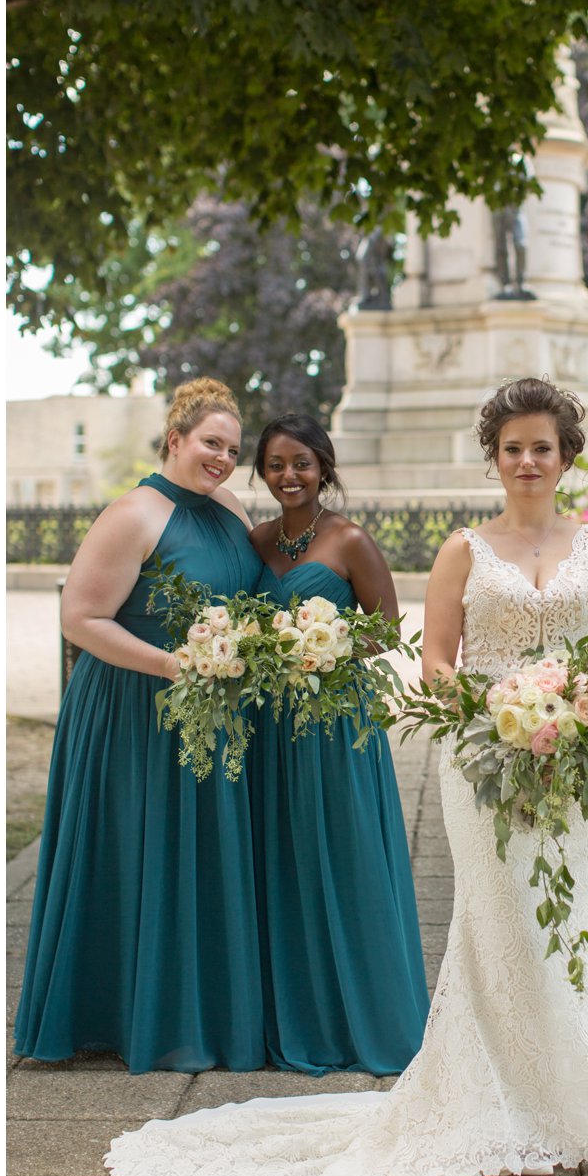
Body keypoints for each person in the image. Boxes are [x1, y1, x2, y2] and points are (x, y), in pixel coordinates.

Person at [106, 378, 588, 1176]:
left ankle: (573, 1101)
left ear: (566, 455)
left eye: (543, 447)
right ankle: (487, 1096)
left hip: (574, 760)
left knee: (571, 917)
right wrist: (499, 720)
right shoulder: (466, 548)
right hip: (485, 754)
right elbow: (434, 659)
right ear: (494, 458)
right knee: (496, 917)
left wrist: (575, 719)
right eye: (513, 448)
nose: (528, 461)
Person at [15, 378, 266, 1072]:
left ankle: (198, 1012)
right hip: (134, 702)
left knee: (198, 855)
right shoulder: (134, 512)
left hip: (207, 703)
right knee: (137, 849)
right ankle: (116, 1013)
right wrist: (170, 665)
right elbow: (81, 618)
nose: (220, 457)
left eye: (232, 448)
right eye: (210, 442)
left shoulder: (229, 506)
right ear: (174, 439)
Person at [245, 413, 428, 1073]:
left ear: (324, 466)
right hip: (268, 722)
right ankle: (290, 1007)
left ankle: (365, 1013)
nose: (288, 475)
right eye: (275, 465)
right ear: (261, 472)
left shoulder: (350, 540)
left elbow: (387, 630)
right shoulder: (256, 540)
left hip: (334, 719)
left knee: (345, 853)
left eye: (301, 462)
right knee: (281, 858)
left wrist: (325, 650)